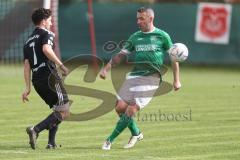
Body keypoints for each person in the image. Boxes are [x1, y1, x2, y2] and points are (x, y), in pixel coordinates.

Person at [100, 7, 181, 150]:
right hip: (134, 76)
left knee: (131, 110)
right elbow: (120, 55)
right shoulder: (135, 37)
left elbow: (174, 59)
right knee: (120, 108)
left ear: (150, 19)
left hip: (151, 79)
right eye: (137, 18)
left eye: (141, 18)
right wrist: (106, 69)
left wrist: (176, 80)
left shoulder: (162, 36)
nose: (138, 21)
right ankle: (136, 133)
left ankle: (109, 140)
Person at [22, 8, 70, 149]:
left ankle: (51, 143)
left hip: (37, 80)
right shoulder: (47, 34)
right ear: (43, 22)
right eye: (49, 20)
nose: (50, 23)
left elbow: (26, 66)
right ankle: (35, 130)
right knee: (64, 111)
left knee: (57, 109)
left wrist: (27, 87)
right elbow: (46, 49)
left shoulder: (27, 42)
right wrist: (61, 65)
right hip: (49, 77)